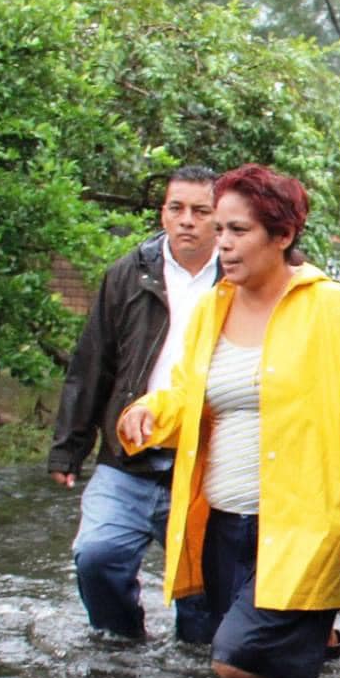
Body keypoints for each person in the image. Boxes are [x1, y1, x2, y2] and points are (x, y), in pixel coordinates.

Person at [117, 164, 340, 678]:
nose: (221, 243)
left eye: (237, 230)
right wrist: (149, 412)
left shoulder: (334, 309)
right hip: (222, 520)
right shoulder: (212, 310)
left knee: (233, 656)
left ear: (282, 235)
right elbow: (190, 394)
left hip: (300, 525)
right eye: (218, 229)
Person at [49, 167, 221, 642]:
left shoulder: (237, 276)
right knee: (96, 555)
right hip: (128, 454)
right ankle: (121, 647)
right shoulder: (129, 273)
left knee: (202, 593)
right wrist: (69, 447)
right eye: (175, 208)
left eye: (200, 211)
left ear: (218, 217)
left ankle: (191, 675)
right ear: (162, 213)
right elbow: (92, 364)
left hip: (206, 461)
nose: (187, 221)